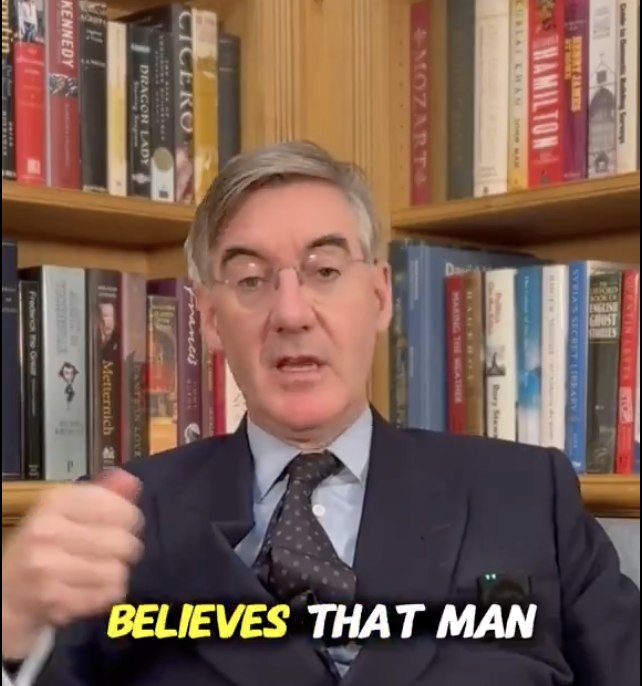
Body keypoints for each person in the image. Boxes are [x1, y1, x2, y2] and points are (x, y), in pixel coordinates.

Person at [2, 141, 639, 686]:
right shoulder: (118, 525)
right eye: (251, 280)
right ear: (210, 320)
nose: (291, 312)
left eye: (325, 270)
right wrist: (8, 627)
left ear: (380, 296)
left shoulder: (528, 497)